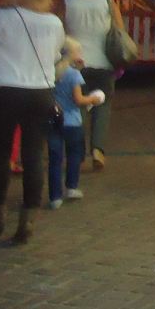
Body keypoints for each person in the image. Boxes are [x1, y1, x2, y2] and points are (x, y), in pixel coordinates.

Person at [0, 0, 65, 244]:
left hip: (5, 90)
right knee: (33, 155)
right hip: (40, 92)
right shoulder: (54, 23)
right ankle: (28, 218)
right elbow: (55, 56)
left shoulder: (2, 18)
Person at [63, 0, 124, 172]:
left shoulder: (67, 2)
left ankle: (78, 152)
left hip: (76, 64)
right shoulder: (107, 0)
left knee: (77, 108)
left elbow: (61, 30)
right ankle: (98, 150)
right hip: (104, 62)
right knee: (102, 106)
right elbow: (120, 29)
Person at [48, 38, 104, 208]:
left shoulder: (51, 72)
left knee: (55, 159)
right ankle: (71, 187)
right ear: (72, 54)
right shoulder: (74, 75)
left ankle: (55, 197)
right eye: (78, 51)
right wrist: (93, 99)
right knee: (73, 155)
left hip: (53, 120)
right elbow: (78, 99)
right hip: (72, 121)